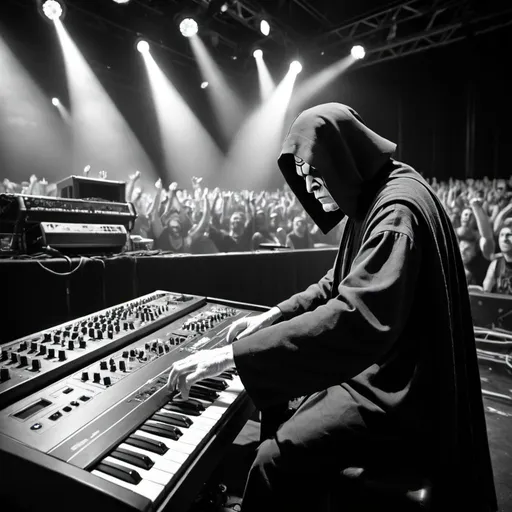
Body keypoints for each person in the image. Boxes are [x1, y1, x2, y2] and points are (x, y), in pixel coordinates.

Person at [166, 103, 497, 512]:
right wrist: (276, 315)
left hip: (400, 391)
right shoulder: (377, 195)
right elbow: (337, 282)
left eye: (313, 169)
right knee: (286, 408)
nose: (311, 184)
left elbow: (355, 319)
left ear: (340, 155)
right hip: (388, 371)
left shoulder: (396, 212)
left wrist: (231, 357)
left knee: (275, 462)